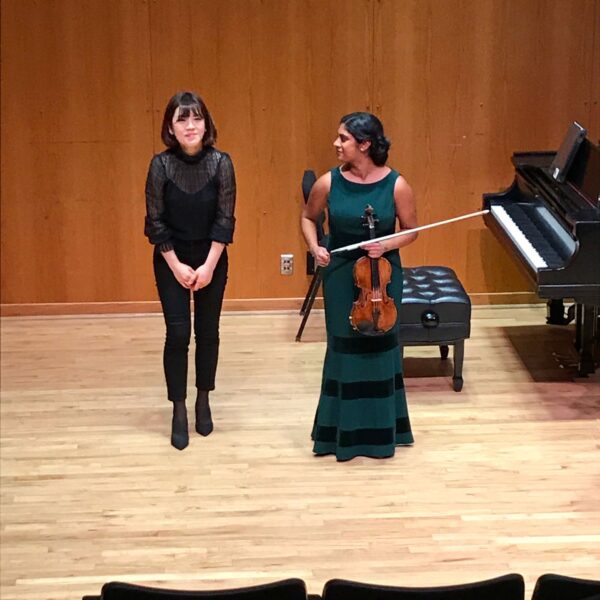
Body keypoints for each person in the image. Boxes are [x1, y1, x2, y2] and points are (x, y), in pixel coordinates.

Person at [301, 112, 418, 461]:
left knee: (381, 348)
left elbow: (411, 230)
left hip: (381, 275)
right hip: (340, 275)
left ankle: (385, 432)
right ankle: (340, 433)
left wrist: (387, 245)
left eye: (344, 139)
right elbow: (309, 218)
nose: (337, 144)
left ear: (364, 145)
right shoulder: (328, 183)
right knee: (343, 349)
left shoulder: (397, 185)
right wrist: (314, 246)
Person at [144, 91, 236, 450]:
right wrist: (177, 265)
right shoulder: (160, 166)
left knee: (208, 333)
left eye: (196, 118)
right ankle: (178, 409)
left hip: (212, 256)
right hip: (171, 259)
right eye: (182, 119)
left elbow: (225, 220)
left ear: (206, 123)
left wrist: (209, 265)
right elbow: (155, 221)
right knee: (178, 335)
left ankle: (203, 399)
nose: (190, 126)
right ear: (170, 126)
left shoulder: (221, 163)